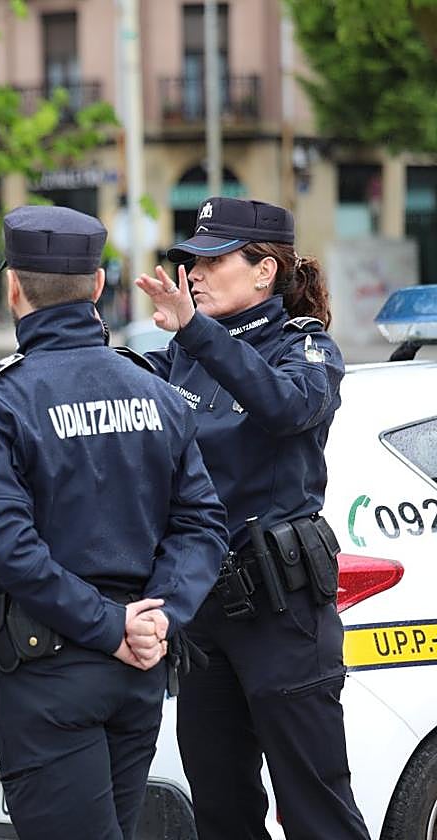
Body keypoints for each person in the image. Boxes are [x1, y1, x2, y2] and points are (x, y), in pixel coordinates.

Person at [0, 205, 229, 840]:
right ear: (99, 286)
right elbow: (202, 525)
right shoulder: (153, 391)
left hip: (50, 672)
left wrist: (111, 628)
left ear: (13, 287)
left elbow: (11, 549)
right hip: (141, 663)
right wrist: (160, 616)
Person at [135, 196, 370, 840]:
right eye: (190, 261)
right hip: (202, 612)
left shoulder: (305, 348)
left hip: (281, 610)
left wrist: (196, 333)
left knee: (316, 808)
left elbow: (288, 408)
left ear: (264, 271)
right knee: (220, 809)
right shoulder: (183, 354)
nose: (195, 273)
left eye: (212, 260)